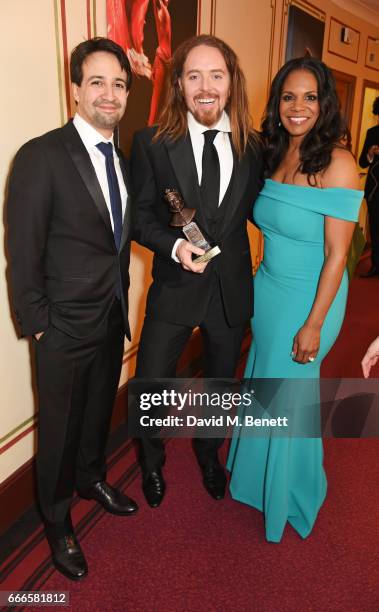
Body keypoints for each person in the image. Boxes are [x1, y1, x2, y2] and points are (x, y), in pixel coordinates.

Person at [7, 37, 138, 580]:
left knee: (93, 413)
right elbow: (23, 247)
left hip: (109, 318)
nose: (110, 95)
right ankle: (57, 520)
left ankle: (92, 478)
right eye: (98, 82)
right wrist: (38, 325)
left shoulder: (122, 158)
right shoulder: (41, 154)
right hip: (60, 327)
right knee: (58, 429)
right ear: (76, 88)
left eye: (120, 84)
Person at [227, 57, 363, 542]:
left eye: (309, 97)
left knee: (291, 392)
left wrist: (314, 324)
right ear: (277, 104)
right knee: (264, 382)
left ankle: (292, 491)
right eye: (288, 97)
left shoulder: (340, 164)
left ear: (325, 103)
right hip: (268, 291)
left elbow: (337, 255)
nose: (298, 106)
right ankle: (255, 480)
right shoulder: (275, 151)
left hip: (313, 298)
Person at [130, 34, 262, 508]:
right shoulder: (151, 143)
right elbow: (140, 217)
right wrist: (172, 247)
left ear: (231, 84)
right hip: (176, 284)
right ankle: (150, 462)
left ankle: (210, 454)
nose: (205, 86)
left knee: (221, 384)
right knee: (150, 384)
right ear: (179, 86)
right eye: (193, 75)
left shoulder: (254, 147)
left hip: (231, 291)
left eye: (216, 75)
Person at [359, 96, 379, 277]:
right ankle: (375, 264)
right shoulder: (372, 132)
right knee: (374, 228)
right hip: (374, 191)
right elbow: (363, 162)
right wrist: (370, 154)